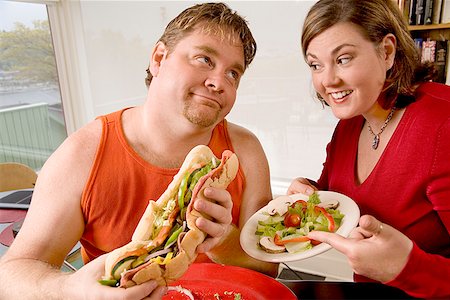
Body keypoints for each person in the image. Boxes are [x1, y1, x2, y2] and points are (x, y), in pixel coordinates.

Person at [0, 3, 277, 299]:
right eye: (204, 59)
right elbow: (11, 275)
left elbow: (267, 266)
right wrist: (69, 289)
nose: (218, 82)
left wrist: (223, 239)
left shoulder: (245, 152)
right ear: (159, 58)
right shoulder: (83, 153)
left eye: (233, 73)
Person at [288, 0, 450, 298]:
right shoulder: (349, 126)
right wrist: (307, 192)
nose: (327, 80)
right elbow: (333, 199)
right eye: (315, 65)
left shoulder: (443, 124)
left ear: (387, 52)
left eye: (344, 58)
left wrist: (407, 267)